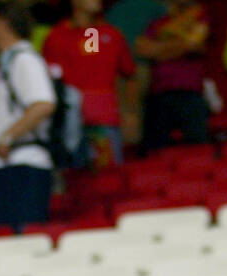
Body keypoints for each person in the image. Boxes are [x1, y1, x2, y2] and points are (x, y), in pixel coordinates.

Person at [0, 1, 56, 231]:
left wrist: (7, 137)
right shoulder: (6, 63)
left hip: (23, 165)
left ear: (4, 23)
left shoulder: (24, 59)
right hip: (5, 166)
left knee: (22, 245)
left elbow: (43, 104)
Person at [42, 0, 139, 167]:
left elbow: (130, 75)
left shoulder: (110, 34)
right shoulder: (56, 37)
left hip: (105, 123)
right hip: (68, 126)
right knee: (74, 182)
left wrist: (130, 113)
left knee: (108, 182)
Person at [136, 0, 210, 153]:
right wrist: (180, 47)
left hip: (189, 92)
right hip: (159, 93)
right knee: (154, 152)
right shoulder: (158, 23)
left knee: (197, 150)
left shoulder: (199, 17)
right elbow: (142, 49)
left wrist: (158, 50)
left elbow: (194, 45)